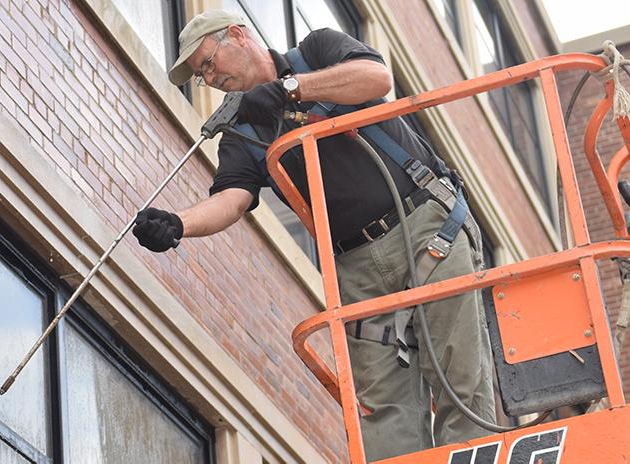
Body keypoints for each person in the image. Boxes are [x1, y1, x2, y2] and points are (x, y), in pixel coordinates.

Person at [132, 10, 497, 460]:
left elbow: (375, 78)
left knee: (460, 376)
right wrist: (179, 224)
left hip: (425, 230)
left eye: (208, 63)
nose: (209, 78)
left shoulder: (317, 52)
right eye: (201, 76)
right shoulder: (243, 132)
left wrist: (289, 89)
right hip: (355, 268)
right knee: (383, 408)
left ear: (237, 35)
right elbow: (232, 198)